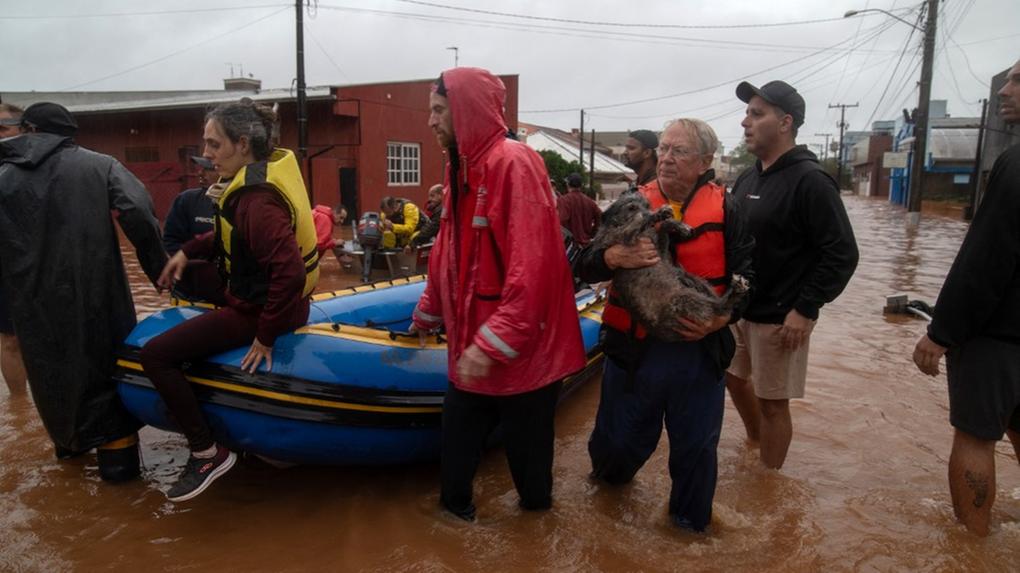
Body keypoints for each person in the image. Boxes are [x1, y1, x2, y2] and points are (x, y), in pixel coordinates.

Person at [410, 67, 585, 521]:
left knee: (533, 492)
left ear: (464, 110)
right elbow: (448, 253)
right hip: (471, 354)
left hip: (522, 361)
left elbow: (535, 267)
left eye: (438, 110)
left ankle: (534, 546)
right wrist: (428, 313)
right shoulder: (458, 169)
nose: (429, 121)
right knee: (453, 485)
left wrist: (491, 343)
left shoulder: (514, 163)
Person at [575, 118, 755, 532]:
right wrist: (613, 260)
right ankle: (603, 523)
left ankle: (689, 536)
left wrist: (722, 319)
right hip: (633, 354)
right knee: (615, 452)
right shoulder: (631, 202)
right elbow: (582, 262)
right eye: (665, 150)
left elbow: (752, 278)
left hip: (698, 355)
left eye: (680, 152)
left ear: (706, 161)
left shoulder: (728, 209)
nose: (667, 159)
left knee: (695, 455)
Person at [139, 101, 320, 502]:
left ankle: (207, 452)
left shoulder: (258, 201)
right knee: (193, 280)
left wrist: (266, 337)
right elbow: (232, 236)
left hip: (263, 311)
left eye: (213, 144)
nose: (206, 153)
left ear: (242, 144)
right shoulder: (256, 178)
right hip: (262, 298)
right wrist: (188, 250)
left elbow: (288, 273)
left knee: (155, 356)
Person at [0, 102, 167, 481]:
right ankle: (120, 481)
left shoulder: (4, 177)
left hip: (32, 306)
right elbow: (138, 212)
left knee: (53, 385)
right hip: (97, 296)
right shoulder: (99, 165)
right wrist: (158, 270)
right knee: (108, 385)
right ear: (70, 134)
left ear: (28, 129)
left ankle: (69, 461)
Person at [912, 59, 1020, 537]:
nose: (1004, 91)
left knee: (976, 437)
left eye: (1017, 81)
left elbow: (986, 257)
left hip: (997, 335)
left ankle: (973, 546)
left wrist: (942, 332)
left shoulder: (1015, 164)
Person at [726, 80, 859, 470]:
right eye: (747, 113)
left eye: (756, 113)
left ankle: (769, 484)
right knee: (733, 380)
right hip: (740, 309)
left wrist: (805, 309)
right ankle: (755, 442)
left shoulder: (811, 181)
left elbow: (842, 253)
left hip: (781, 319)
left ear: (785, 122)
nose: (745, 122)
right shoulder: (748, 178)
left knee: (772, 404)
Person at [0, 103, 28, 397]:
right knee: (9, 339)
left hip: (43, 261)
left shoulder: (40, 163)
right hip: (4, 264)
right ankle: (21, 408)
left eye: (3, 129)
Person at [163, 156, 217, 255]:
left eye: (208, 169)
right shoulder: (186, 200)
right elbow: (170, 242)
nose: (200, 173)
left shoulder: (240, 202)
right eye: (201, 168)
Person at [556, 172, 601, 247]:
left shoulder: (563, 200)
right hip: (586, 245)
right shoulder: (590, 202)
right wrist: (593, 233)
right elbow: (600, 216)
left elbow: (562, 221)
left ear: (568, 184)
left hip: (571, 246)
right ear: (581, 185)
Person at [408, 184, 444, 250]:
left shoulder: (440, 211)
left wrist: (413, 243)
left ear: (441, 195)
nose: (430, 199)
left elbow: (431, 228)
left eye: (432, 196)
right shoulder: (436, 209)